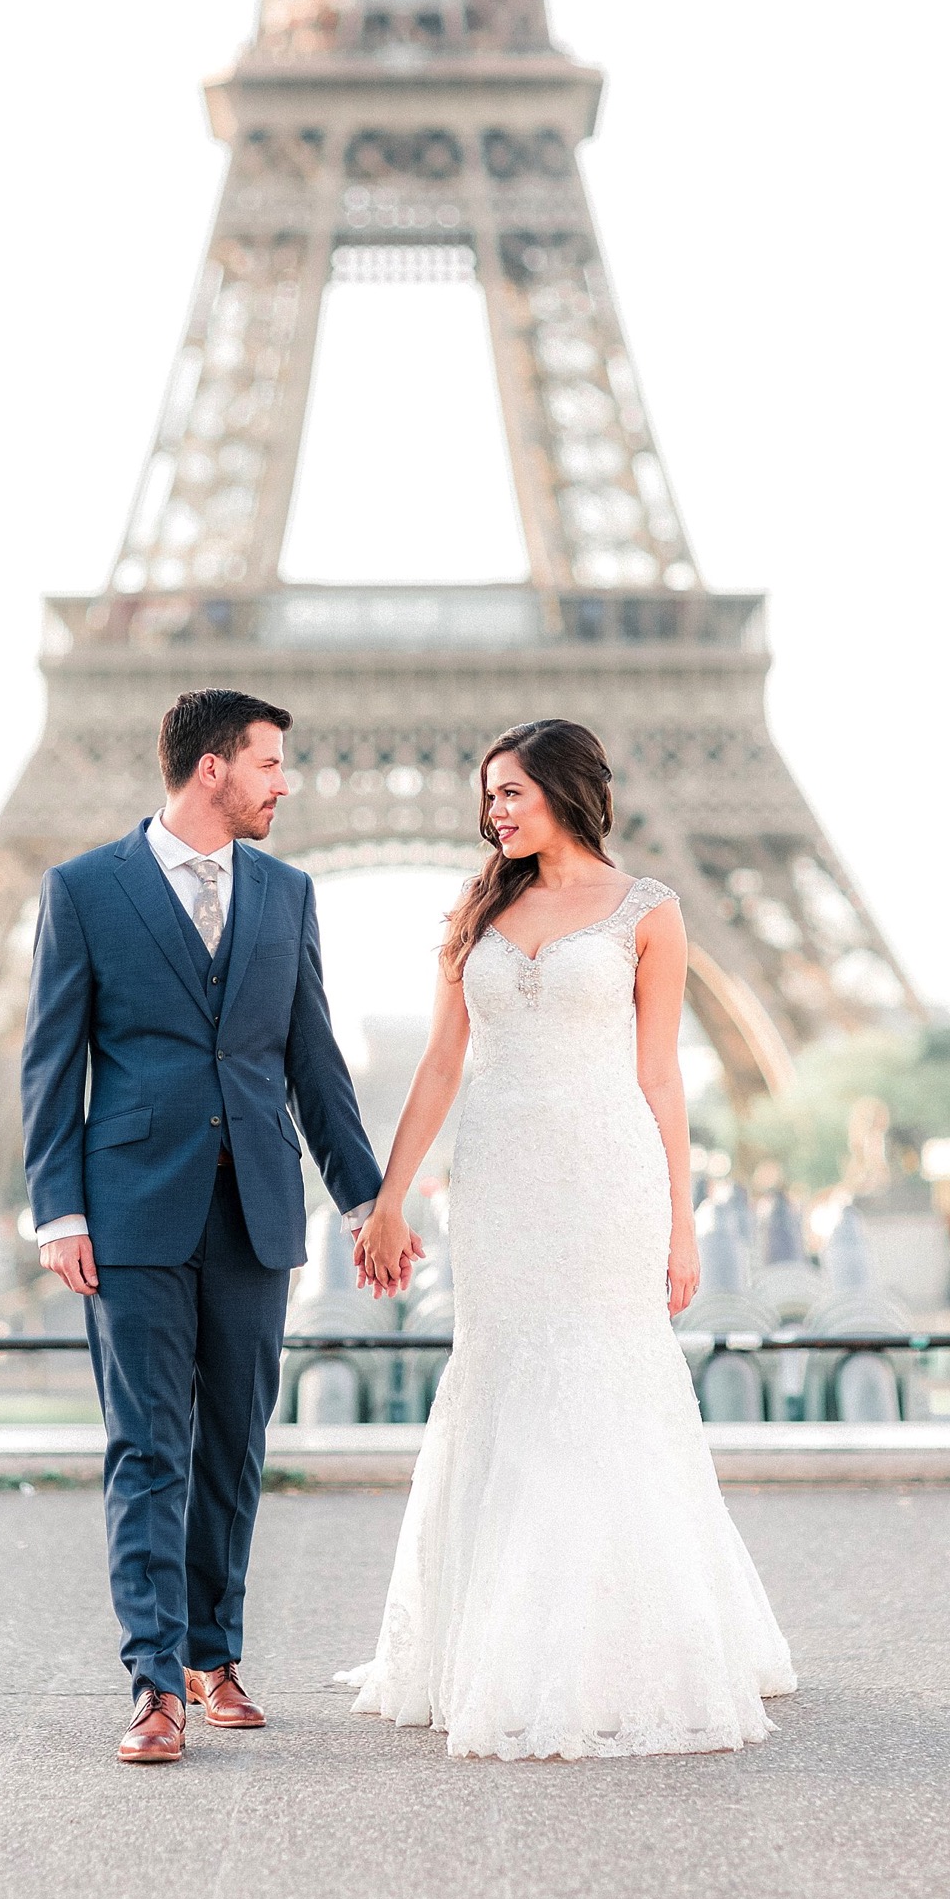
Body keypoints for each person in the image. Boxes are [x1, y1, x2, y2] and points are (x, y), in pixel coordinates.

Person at [343, 719, 796, 1760]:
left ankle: (611, 1648)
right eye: (487, 796)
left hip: (606, 1175)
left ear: (565, 789)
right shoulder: (474, 910)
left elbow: (660, 1076)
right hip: (500, 1180)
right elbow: (441, 1069)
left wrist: (682, 1221)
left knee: (601, 1383)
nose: (495, 812)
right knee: (504, 1382)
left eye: (512, 793)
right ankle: (497, 1639)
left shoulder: (652, 910)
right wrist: (390, 1197)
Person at [21, 688, 417, 1764]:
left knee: (235, 1446)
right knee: (148, 1447)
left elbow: (312, 1063)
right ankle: (152, 1684)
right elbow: (52, 1063)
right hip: (129, 1209)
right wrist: (56, 1209)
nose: (284, 783)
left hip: (257, 1211)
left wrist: (367, 1199)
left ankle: (211, 1652)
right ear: (211, 768)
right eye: (270, 763)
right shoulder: (85, 890)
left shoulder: (287, 894)